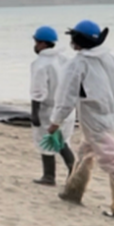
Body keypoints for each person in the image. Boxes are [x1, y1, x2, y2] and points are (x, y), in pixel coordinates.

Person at [49, 20, 114, 221]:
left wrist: (55, 122)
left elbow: (66, 96)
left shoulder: (77, 64)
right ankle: (72, 192)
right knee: (85, 152)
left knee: (113, 161)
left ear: (77, 41)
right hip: (113, 116)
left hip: (95, 119)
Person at [29, 26, 75, 185]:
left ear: (42, 43)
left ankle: (59, 174)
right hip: (67, 108)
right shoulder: (63, 59)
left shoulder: (40, 63)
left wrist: (34, 113)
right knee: (61, 140)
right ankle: (52, 175)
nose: (34, 45)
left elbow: (38, 91)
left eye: (35, 42)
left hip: (49, 109)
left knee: (51, 140)